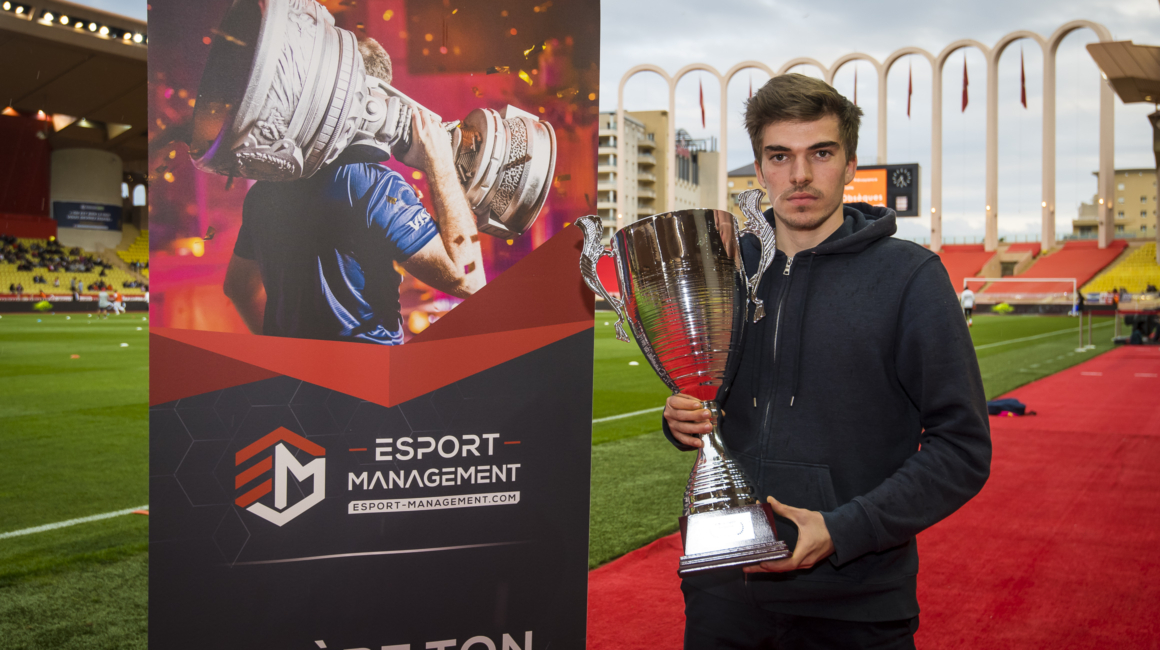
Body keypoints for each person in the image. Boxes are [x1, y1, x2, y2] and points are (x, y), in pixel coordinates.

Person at [662, 74, 991, 650]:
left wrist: (844, 529)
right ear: (759, 169)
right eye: (779, 156)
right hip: (725, 594)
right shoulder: (723, 272)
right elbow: (706, 400)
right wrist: (680, 419)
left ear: (850, 164)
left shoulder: (910, 277)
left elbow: (962, 447)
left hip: (855, 602)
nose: (800, 175)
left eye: (820, 153)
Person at [223, 38, 484, 344]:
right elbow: (469, 279)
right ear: (380, 100)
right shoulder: (377, 188)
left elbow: (239, 288)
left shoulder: (264, 192)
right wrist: (440, 164)